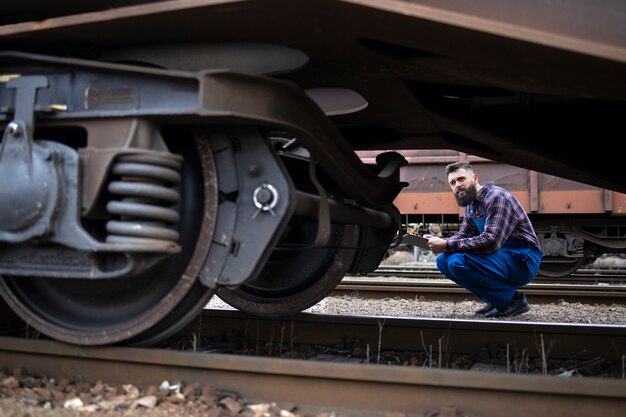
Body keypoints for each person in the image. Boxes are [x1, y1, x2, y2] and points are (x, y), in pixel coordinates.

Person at [424, 161, 543, 318]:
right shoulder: (471, 206)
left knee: (457, 261)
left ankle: (512, 301)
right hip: (501, 256)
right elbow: (463, 236)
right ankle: (497, 301)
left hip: (522, 259)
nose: (457, 185)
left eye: (461, 179)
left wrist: (447, 244)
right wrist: (439, 242)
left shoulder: (496, 197)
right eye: (452, 182)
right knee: (443, 261)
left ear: (474, 178)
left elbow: (491, 241)